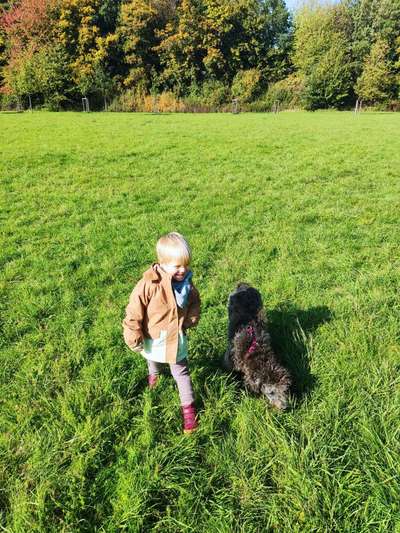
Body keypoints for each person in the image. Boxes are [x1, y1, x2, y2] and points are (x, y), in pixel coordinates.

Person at [123, 232, 201, 433]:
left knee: (181, 372)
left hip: (176, 337)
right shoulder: (149, 284)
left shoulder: (186, 283)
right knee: (151, 356)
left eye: (186, 264)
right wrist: (133, 334)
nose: (183, 270)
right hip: (153, 335)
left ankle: (189, 410)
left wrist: (191, 318)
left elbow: (194, 301)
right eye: (177, 266)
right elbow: (134, 309)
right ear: (162, 263)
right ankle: (154, 375)